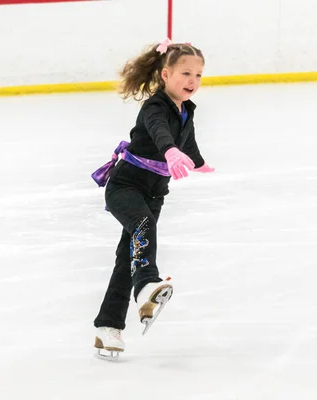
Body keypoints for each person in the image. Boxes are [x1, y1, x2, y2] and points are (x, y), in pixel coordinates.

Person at [90, 38, 215, 356]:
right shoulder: (155, 106)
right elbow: (160, 132)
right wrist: (170, 151)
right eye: (185, 73)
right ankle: (147, 284)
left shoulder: (186, 110)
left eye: (198, 75)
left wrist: (199, 163)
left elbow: (188, 142)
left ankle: (109, 328)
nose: (192, 81)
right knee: (143, 225)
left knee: (124, 260)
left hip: (155, 192)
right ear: (165, 75)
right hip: (125, 186)